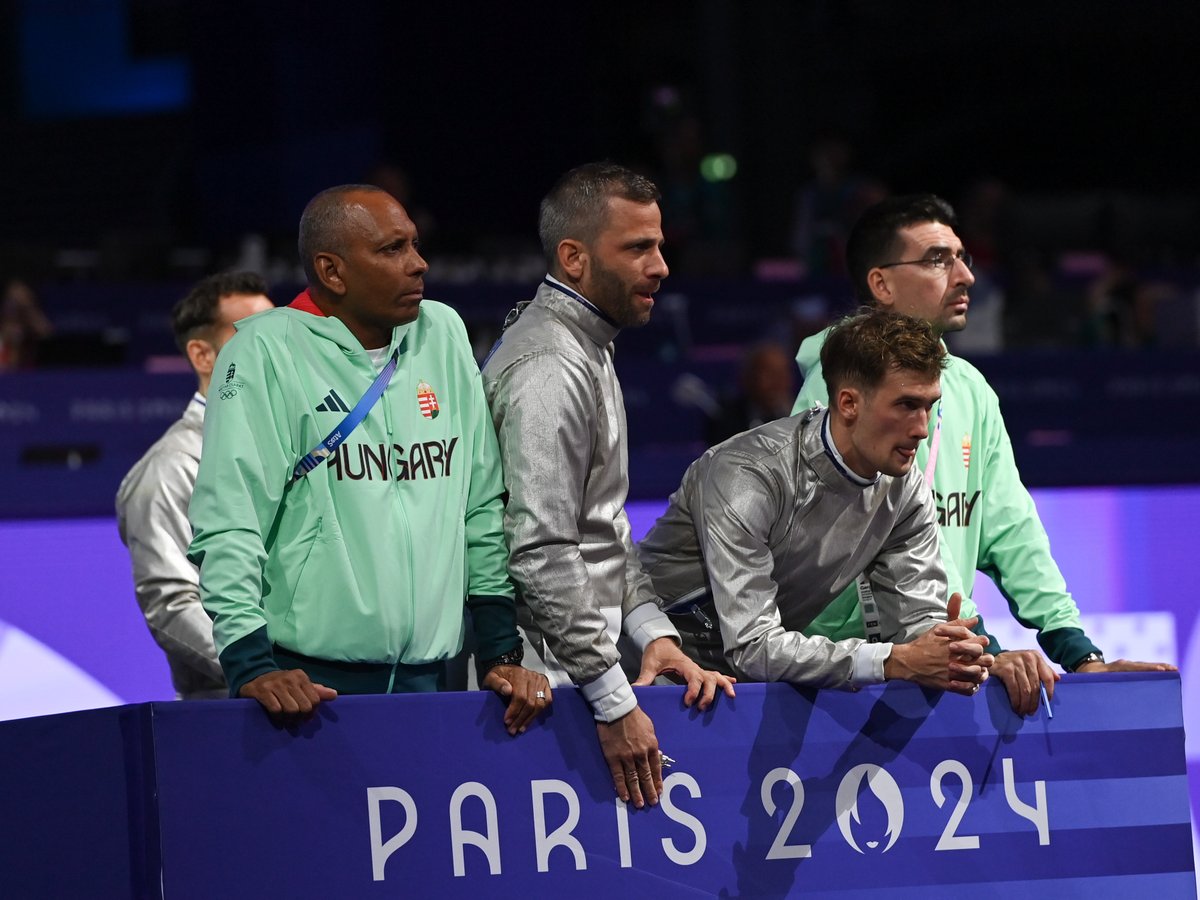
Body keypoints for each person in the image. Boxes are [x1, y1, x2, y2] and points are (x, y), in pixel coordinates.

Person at [790, 193, 1175, 715]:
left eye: (962, 257)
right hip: (845, 681)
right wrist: (986, 651)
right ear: (881, 284)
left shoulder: (970, 387)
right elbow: (884, 547)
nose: (965, 275)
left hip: (943, 659)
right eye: (936, 259)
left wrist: (1078, 651)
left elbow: (1010, 529)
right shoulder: (834, 391)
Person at [188, 185, 550, 735]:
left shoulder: (444, 333)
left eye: (415, 245)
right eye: (391, 250)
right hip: (311, 689)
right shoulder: (264, 351)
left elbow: (478, 501)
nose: (418, 264)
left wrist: (501, 651)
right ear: (332, 271)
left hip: (438, 678)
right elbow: (231, 520)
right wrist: (250, 665)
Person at [482, 162, 736, 810]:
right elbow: (539, 552)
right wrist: (613, 700)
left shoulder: (589, 344)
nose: (661, 267)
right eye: (638, 249)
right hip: (542, 692)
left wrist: (653, 635)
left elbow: (604, 529)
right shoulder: (549, 366)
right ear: (574, 257)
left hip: (579, 675)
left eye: (659, 245)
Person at [638, 310, 992, 694]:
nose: (922, 428)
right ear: (849, 403)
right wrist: (891, 661)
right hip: (638, 668)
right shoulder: (748, 473)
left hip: (733, 688)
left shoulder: (904, 489)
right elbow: (753, 645)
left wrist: (947, 649)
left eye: (929, 405)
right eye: (906, 405)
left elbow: (916, 627)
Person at [116, 272, 274, 700]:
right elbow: (172, 602)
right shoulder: (169, 468)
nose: (275, 349)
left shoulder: (293, 442)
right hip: (237, 712)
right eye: (251, 335)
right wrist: (260, 669)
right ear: (203, 355)